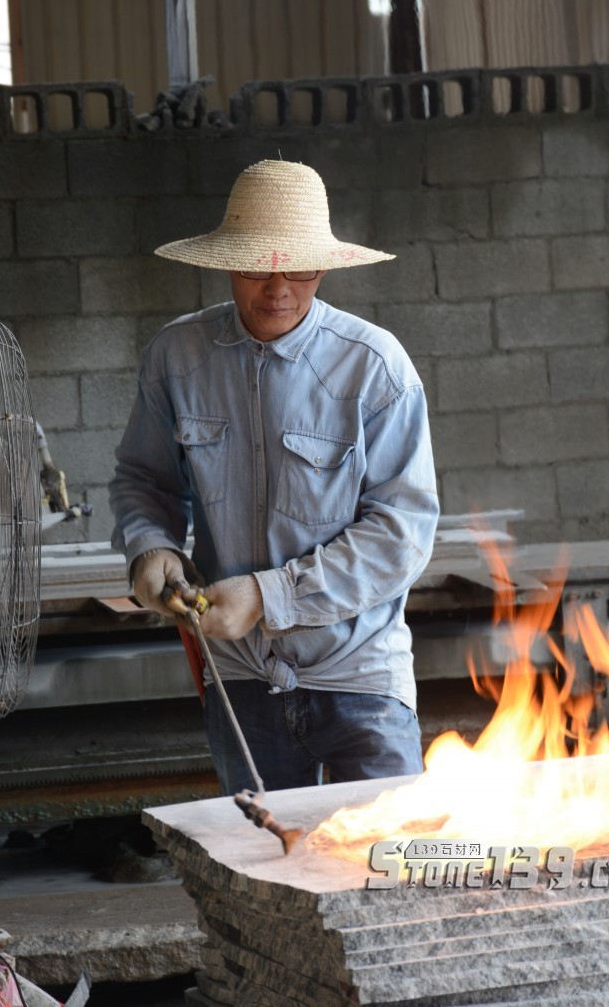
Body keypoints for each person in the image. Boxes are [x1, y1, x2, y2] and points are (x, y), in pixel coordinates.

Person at [109, 159, 439, 795]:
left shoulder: (375, 368)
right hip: (241, 681)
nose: (279, 290)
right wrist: (150, 547)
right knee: (262, 856)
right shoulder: (177, 357)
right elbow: (143, 480)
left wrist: (268, 597)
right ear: (228, 264)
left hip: (359, 676)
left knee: (391, 851)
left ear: (326, 267)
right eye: (258, 269)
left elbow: (401, 533)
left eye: (301, 270)